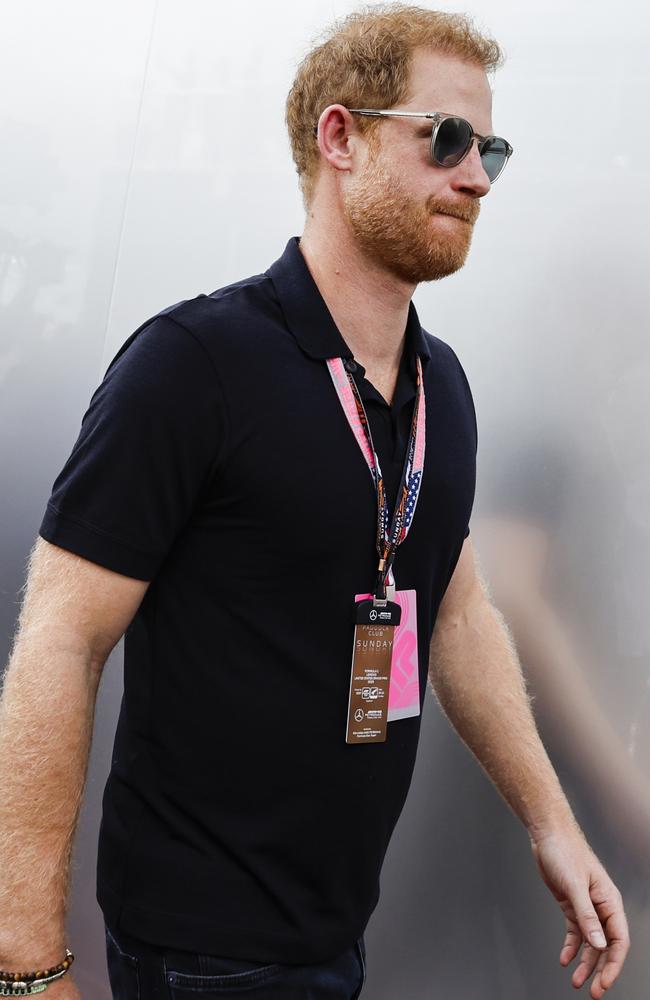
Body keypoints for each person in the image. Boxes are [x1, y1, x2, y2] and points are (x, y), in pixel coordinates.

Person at [0, 5, 630, 999]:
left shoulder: (442, 388)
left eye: (490, 150)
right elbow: (61, 640)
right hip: (199, 949)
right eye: (445, 138)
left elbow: (455, 609)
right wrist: (29, 965)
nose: (473, 175)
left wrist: (550, 823)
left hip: (335, 932)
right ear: (339, 137)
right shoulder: (194, 364)